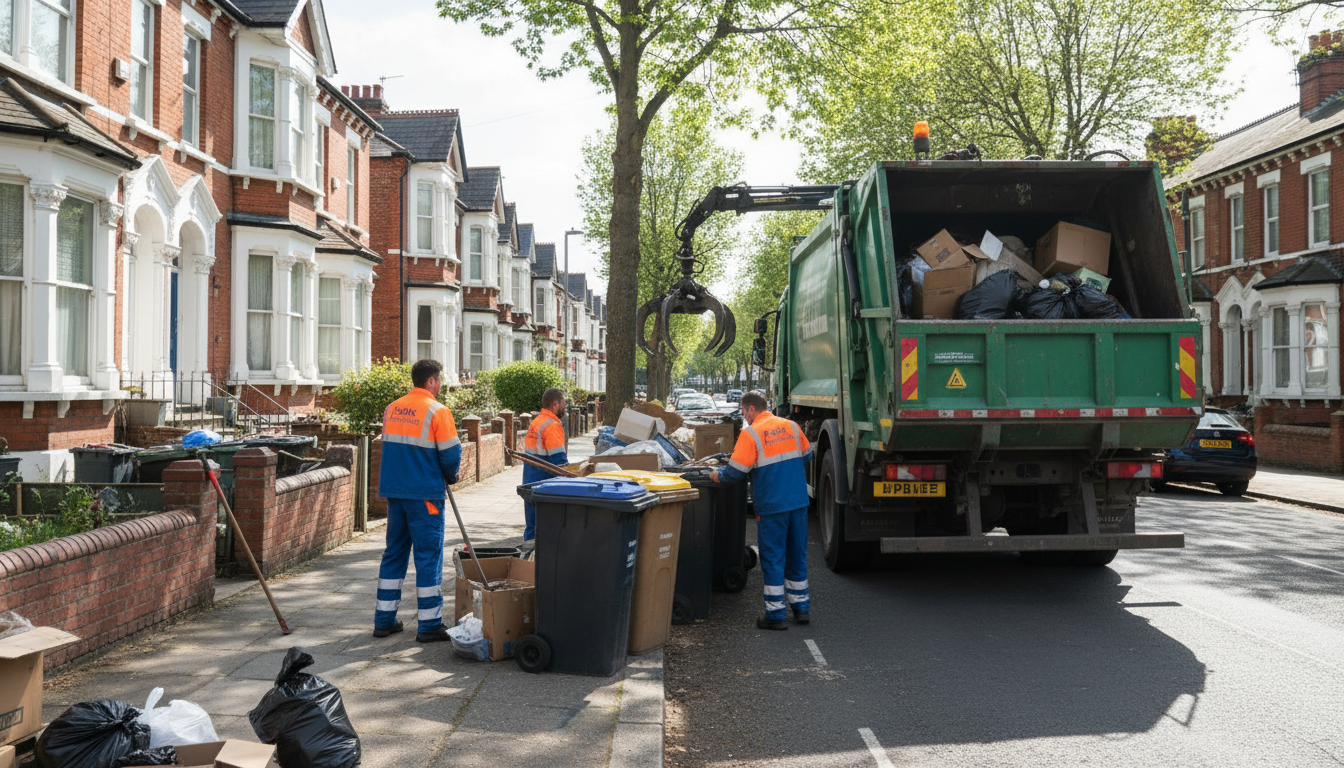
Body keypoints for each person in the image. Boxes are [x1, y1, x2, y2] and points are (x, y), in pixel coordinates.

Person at [373, 359, 462, 642]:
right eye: (439, 380)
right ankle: (429, 624)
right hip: (425, 495)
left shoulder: (392, 409)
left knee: (394, 552)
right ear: (431, 381)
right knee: (427, 556)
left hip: (395, 492)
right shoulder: (438, 411)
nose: (440, 385)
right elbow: (450, 455)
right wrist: (451, 475)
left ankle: (383, 619)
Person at [711, 390, 812, 630]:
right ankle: (801, 609)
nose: (744, 416)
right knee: (797, 554)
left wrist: (716, 475)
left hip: (772, 505)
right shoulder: (792, 426)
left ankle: (776, 614)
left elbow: (735, 472)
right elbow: (807, 456)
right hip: (798, 502)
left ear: (752, 409)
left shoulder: (751, 434)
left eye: (744, 411)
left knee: (773, 557)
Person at [521, 388, 568, 548]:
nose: (565, 407)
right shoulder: (552, 425)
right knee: (547, 528)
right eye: (564, 403)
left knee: (532, 527)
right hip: (545, 483)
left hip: (530, 480)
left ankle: (526, 563)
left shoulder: (537, 421)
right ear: (555, 404)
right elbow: (559, 461)